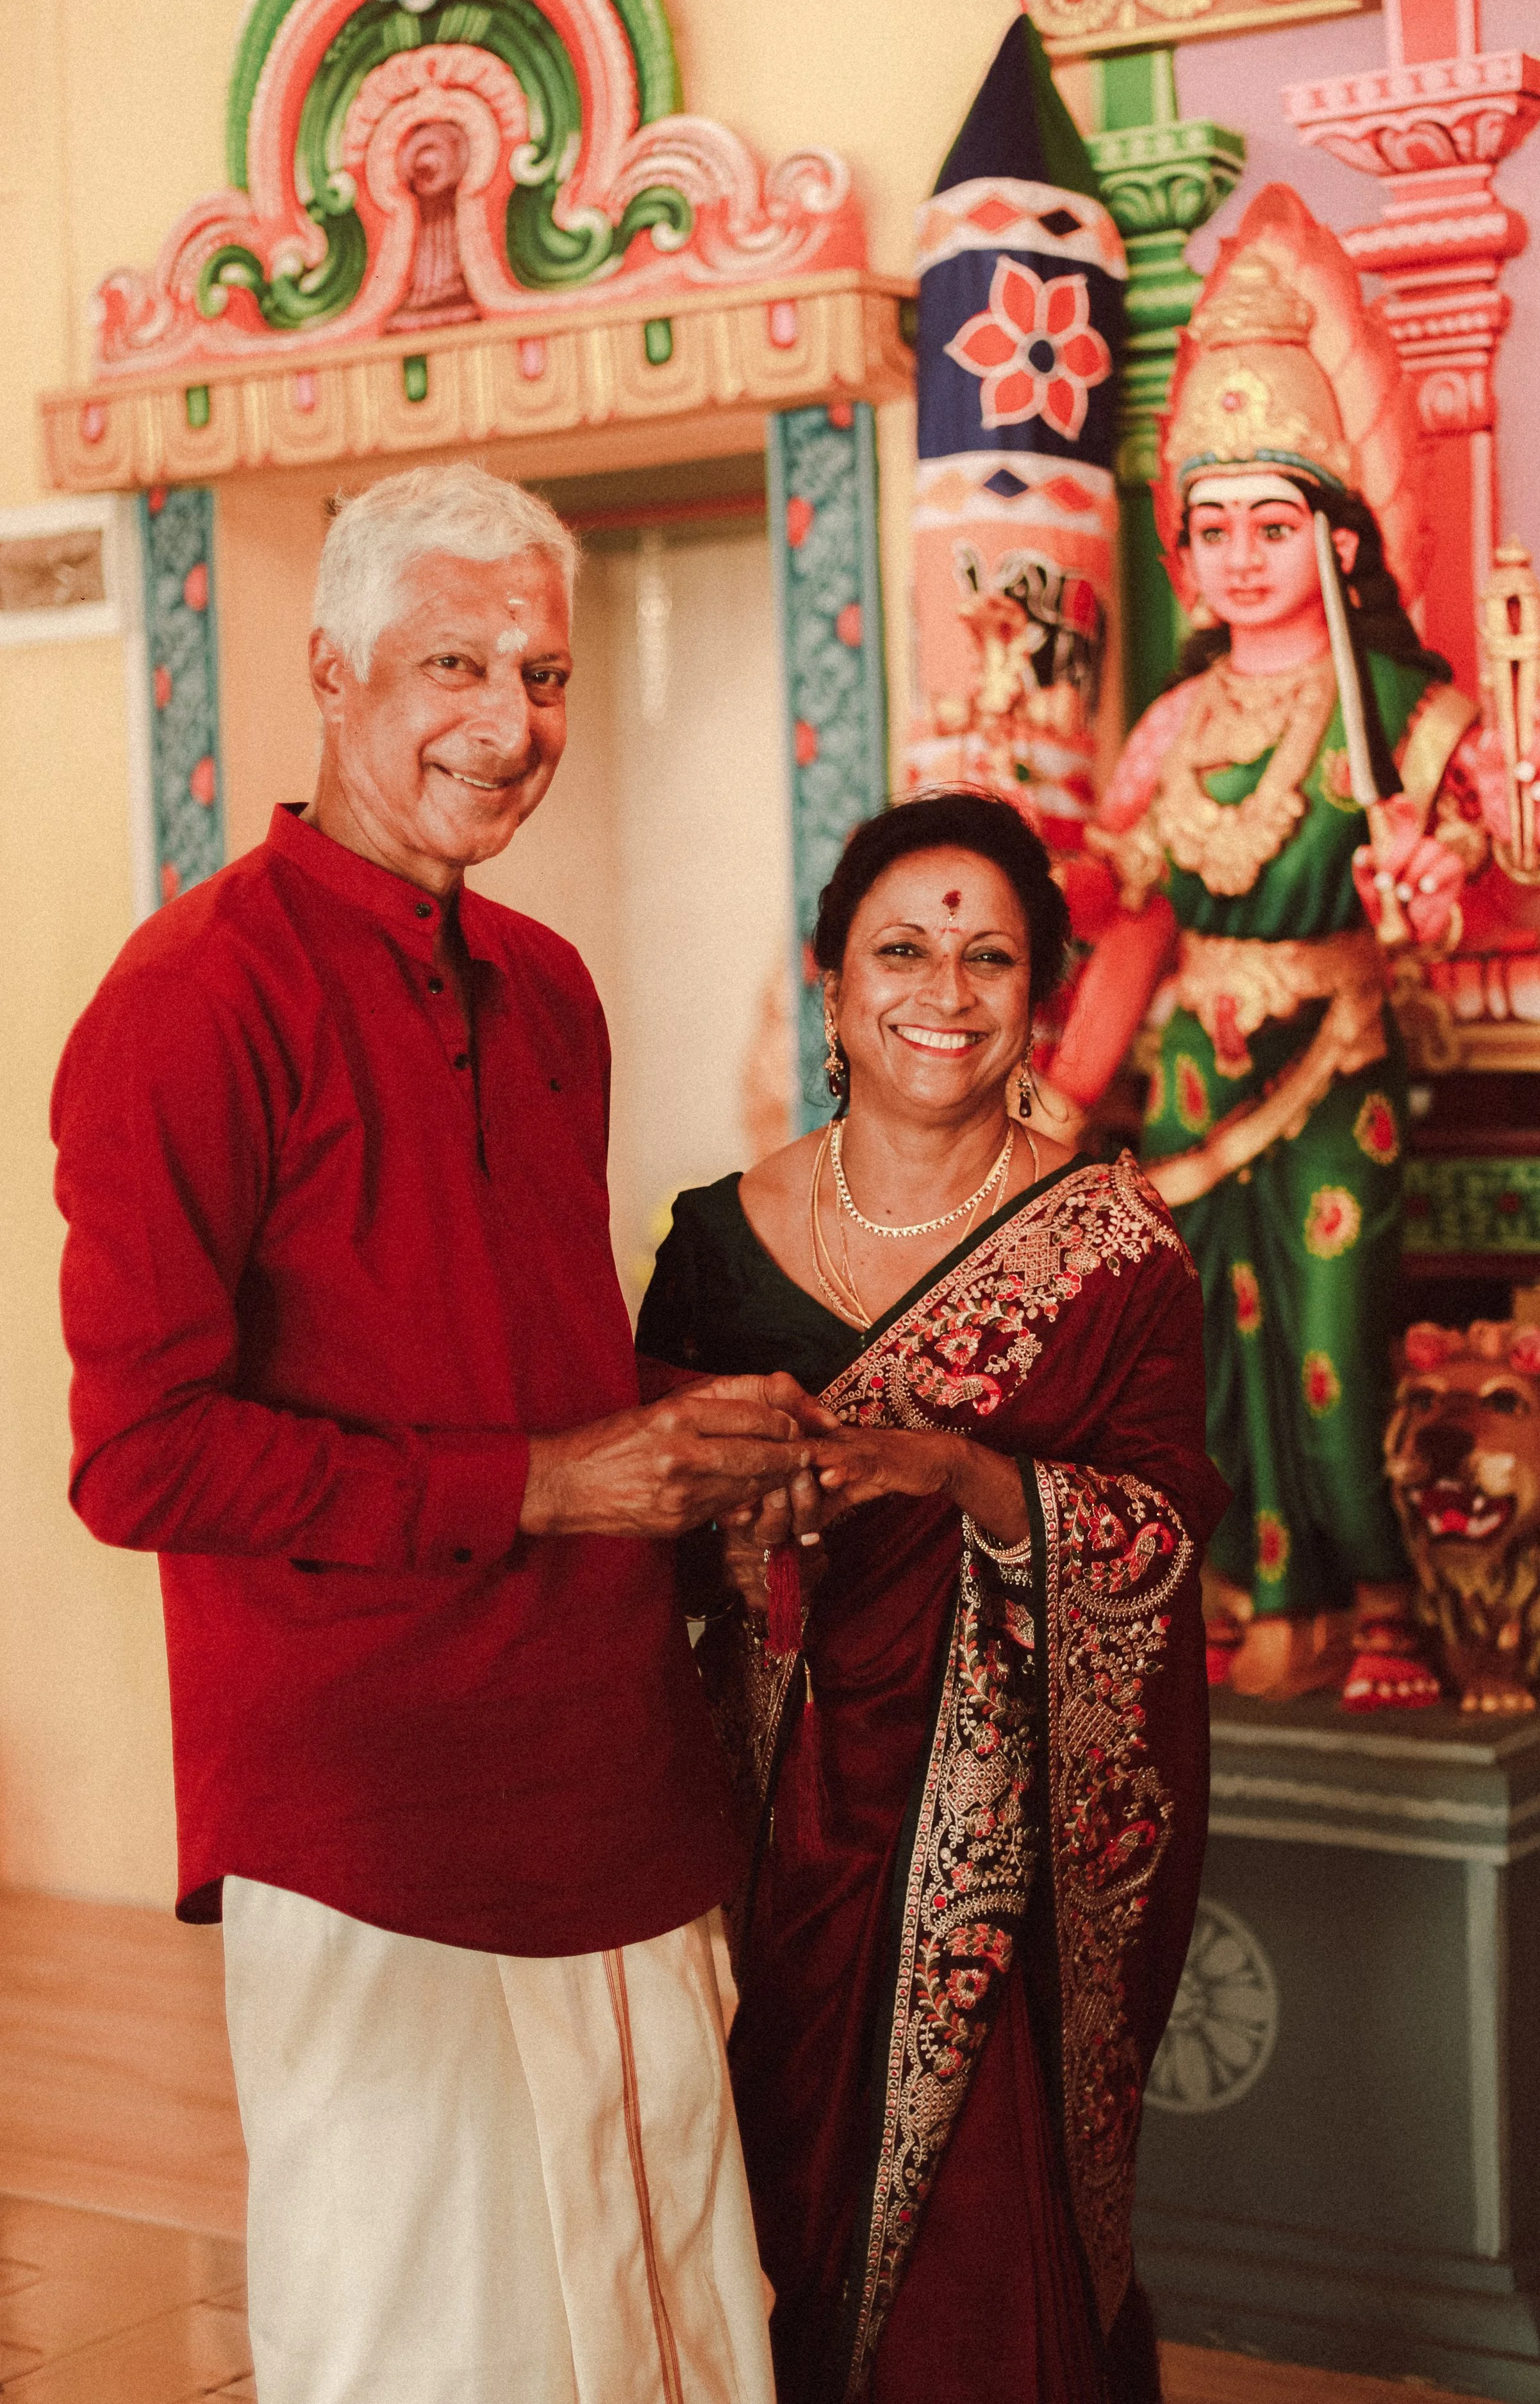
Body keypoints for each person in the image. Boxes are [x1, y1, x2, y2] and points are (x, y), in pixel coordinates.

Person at [51, 462, 829, 2404]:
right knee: (429, 2339)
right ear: (332, 673)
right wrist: (551, 1482)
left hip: (609, 1767)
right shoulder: (190, 997)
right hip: (370, 1809)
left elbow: (499, 1353)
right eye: (453, 665)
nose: (509, 720)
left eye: (544, 674)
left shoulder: (547, 990)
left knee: (673, 2317)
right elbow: (139, 1455)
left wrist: (690, 1442)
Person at [636, 790, 1228, 2404]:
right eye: (900, 951)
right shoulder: (714, 1243)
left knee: (974, 2280)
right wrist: (733, 1520)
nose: (942, 993)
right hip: (752, 1837)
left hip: (996, 1856)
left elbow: (1161, 1539)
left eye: (988, 959)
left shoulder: (1111, 1252)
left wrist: (959, 1472)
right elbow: (641, 1533)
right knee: (737, 2230)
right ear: (829, 981)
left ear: (1039, 998)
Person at [1040, 185, 1540, 1707]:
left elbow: (1490, 873)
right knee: (1199, 1360)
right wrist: (1048, 1088)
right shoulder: (1170, 723)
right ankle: (1244, 1597)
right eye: (1209, 529)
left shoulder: (1408, 714)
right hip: (1186, 1084)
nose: (1236, 557)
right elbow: (1130, 917)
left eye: (1270, 525)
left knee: (1333, 1346)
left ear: (1340, 537)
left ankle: (1377, 1609)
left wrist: (1490, 845)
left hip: (1332, 1065)